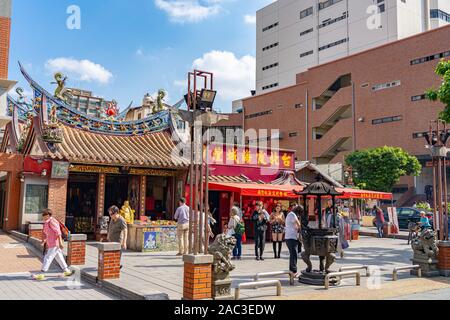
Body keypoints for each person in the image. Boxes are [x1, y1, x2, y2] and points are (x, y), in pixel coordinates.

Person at [33, 209, 74, 280]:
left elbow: (58, 232)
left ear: (48, 215)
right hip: (51, 243)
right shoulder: (47, 222)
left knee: (48, 258)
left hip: (55, 243)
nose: (43, 217)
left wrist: (60, 242)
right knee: (59, 257)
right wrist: (44, 241)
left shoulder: (52, 221)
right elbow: (48, 233)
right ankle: (67, 271)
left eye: (44, 215)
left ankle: (42, 274)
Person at [285, 205, 302, 277]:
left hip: (290, 236)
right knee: (293, 254)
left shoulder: (291, 214)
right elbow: (298, 224)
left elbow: (295, 226)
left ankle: (291, 271)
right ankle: (293, 271)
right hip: (291, 237)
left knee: (292, 254)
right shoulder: (292, 214)